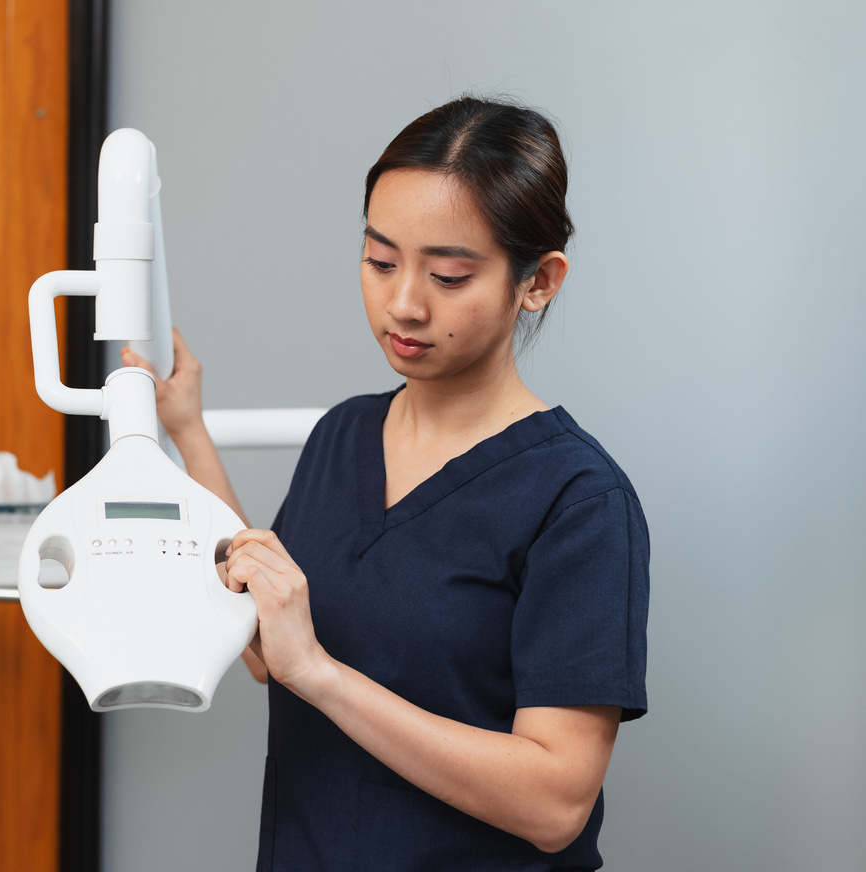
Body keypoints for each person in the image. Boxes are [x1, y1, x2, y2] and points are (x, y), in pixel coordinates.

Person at [121, 96, 649, 872]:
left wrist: (324, 678)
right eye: (379, 261)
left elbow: (555, 803)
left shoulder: (577, 499)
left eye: (448, 274)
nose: (403, 302)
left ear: (537, 282)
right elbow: (271, 640)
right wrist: (188, 432)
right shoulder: (344, 435)